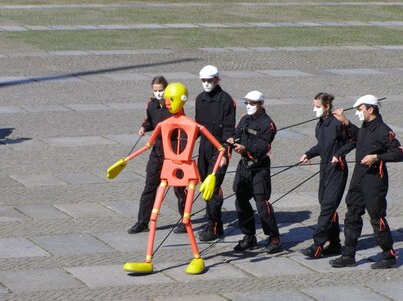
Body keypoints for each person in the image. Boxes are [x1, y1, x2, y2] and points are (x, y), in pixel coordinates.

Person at [107, 82, 226, 274]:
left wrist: (211, 175)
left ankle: (197, 258)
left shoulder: (194, 125)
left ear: (182, 99)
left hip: (187, 172)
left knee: (186, 219)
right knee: (153, 218)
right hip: (167, 170)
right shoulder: (163, 124)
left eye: (171, 99)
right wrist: (125, 160)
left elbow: (220, 148)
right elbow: (147, 146)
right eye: (167, 99)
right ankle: (148, 260)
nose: (167, 102)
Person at [330, 95, 403, 269]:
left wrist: (377, 157)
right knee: (352, 215)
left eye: (360, 110)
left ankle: (388, 255)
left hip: (374, 181)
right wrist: (345, 121)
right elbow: (360, 137)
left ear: (370, 109)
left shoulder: (383, 130)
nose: (358, 113)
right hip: (358, 177)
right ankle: (348, 255)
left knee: (376, 217)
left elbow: (398, 153)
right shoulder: (365, 125)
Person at [299, 93, 356, 259]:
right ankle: (335, 243)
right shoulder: (320, 124)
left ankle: (317, 245)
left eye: (317, 106)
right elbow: (322, 145)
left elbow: (352, 141)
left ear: (326, 107)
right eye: (314, 106)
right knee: (325, 203)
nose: (314, 109)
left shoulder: (337, 123)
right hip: (325, 168)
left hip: (337, 169)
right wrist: (308, 154)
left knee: (328, 207)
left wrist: (338, 154)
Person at [128, 76, 186, 234]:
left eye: (161, 90)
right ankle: (142, 222)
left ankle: (185, 221)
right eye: (156, 91)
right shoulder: (151, 105)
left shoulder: (174, 107)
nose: (158, 93)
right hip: (158, 149)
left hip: (174, 149)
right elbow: (151, 121)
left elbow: (183, 128)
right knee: (150, 185)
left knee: (179, 188)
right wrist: (144, 127)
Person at [227, 91, 282, 254]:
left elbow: (264, 146)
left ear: (260, 104)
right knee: (240, 200)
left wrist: (246, 148)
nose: (249, 106)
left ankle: (274, 238)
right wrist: (233, 141)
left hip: (259, 167)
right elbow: (237, 134)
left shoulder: (267, 124)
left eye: (252, 103)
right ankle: (249, 236)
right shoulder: (244, 119)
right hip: (244, 166)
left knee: (262, 204)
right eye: (247, 103)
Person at [195, 65, 236, 241]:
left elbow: (229, 130)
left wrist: (225, 155)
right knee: (205, 184)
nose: (206, 84)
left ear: (217, 80)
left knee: (212, 186)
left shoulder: (226, 100)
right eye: (203, 80)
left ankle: (213, 226)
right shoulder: (199, 99)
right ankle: (215, 222)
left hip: (219, 148)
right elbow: (198, 125)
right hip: (204, 147)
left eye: (209, 80)